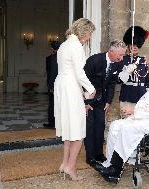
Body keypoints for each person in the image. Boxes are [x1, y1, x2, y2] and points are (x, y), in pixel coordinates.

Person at [94, 65, 149, 183]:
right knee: (115, 125)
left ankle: (116, 170)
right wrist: (134, 111)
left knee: (126, 128)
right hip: (145, 119)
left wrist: (134, 111)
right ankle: (109, 163)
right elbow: (144, 104)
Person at [54, 18, 96, 181]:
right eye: (90, 34)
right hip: (70, 86)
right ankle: (71, 166)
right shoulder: (76, 46)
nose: (90, 37)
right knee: (78, 129)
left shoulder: (64, 44)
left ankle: (65, 163)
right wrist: (91, 89)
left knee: (69, 128)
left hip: (63, 86)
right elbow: (79, 73)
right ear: (84, 32)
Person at [83, 40, 127, 167]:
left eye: (123, 55)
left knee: (100, 125)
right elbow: (83, 81)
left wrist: (108, 101)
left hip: (101, 100)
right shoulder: (94, 60)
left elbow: (112, 83)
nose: (122, 58)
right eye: (120, 55)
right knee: (90, 127)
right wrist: (86, 102)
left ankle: (98, 154)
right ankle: (90, 157)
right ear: (111, 51)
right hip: (89, 99)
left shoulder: (117, 64)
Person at [118, 26, 149, 118]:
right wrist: (127, 71)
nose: (135, 47)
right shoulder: (123, 59)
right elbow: (119, 80)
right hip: (127, 97)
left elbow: (146, 81)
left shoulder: (143, 60)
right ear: (128, 45)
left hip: (141, 98)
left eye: (137, 45)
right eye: (133, 44)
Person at [44, 41, 60, 128]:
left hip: (54, 85)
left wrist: (51, 87)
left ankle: (52, 123)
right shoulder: (62, 57)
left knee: (52, 105)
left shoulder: (53, 58)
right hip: (60, 85)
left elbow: (52, 73)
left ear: (52, 49)